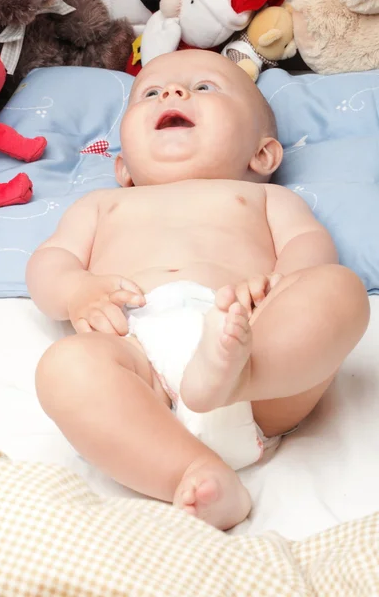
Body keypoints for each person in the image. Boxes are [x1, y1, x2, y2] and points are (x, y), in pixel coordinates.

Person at [27, 50, 369, 531]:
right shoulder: (101, 205)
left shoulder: (266, 197)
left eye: (205, 87)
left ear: (262, 154)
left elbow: (308, 248)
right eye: (150, 93)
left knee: (340, 289)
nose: (172, 92)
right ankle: (189, 471)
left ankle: (235, 378)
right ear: (122, 168)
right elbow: (50, 262)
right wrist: (76, 290)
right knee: (66, 368)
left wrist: (280, 288)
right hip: (137, 356)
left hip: (252, 348)